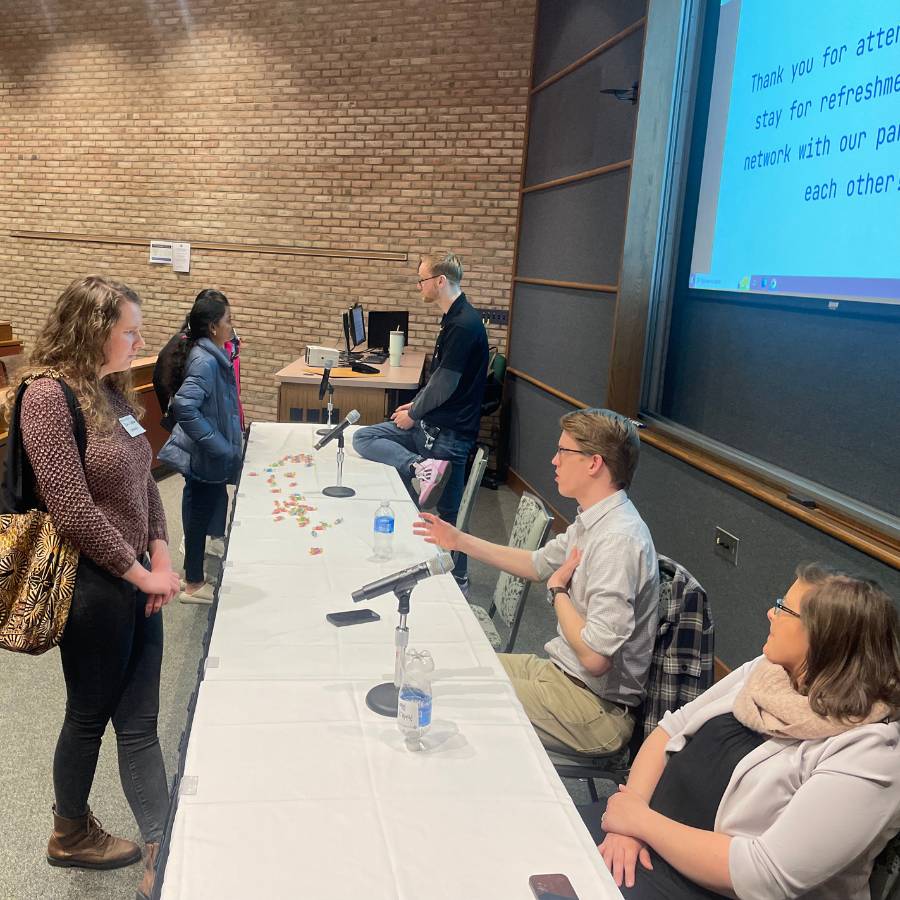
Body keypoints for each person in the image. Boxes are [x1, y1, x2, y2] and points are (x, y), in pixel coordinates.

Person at [5, 276, 181, 899]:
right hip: (92, 587)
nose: (140, 340)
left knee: (139, 724)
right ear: (91, 331)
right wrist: (140, 575)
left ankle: (163, 846)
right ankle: (69, 833)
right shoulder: (47, 398)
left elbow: (144, 479)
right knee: (89, 715)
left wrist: (160, 554)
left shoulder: (111, 391)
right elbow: (73, 511)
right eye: (129, 330)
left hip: (136, 576)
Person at [588, 564, 900, 900]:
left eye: (783, 608)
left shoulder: (871, 752)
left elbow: (764, 876)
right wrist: (628, 819)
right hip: (641, 838)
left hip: (708, 888)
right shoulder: (769, 673)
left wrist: (640, 822)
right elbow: (670, 729)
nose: (770, 613)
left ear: (823, 637)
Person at [415, 408, 659, 754]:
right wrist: (459, 541)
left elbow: (594, 658)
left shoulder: (617, 540)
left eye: (564, 451)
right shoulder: (594, 520)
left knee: (456, 705)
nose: (554, 460)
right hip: (562, 675)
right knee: (450, 671)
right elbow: (536, 564)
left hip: (594, 708)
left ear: (594, 464)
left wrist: (558, 591)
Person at [353, 252, 489, 593]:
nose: (419, 286)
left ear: (440, 281)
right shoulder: (453, 318)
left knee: (446, 515)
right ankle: (418, 466)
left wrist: (413, 414)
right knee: (364, 437)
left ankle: (456, 581)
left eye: (422, 280)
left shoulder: (463, 324)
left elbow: (445, 384)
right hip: (430, 430)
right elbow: (440, 379)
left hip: (449, 435)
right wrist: (415, 406)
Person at [158, 293, 242, 604]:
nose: (232, 327)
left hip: (211, 452)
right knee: (197, 517)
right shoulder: (205, 361)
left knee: (200, 511)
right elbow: (185, 407)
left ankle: (191, 575)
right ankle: (193, 582)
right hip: (207, 454)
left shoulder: (213, 353)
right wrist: (219, 444)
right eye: (228, 321)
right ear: (212, 327)